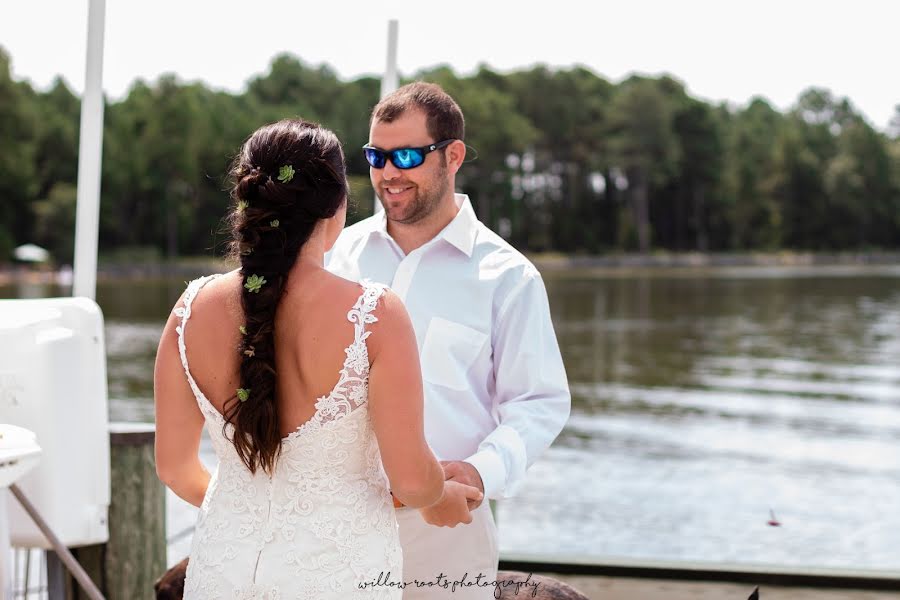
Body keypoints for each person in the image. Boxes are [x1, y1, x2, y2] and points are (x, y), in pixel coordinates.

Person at [154, 119, 480, 599]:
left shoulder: (189, 310)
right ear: (336, 210)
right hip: (337, 576)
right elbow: (411, 479)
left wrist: (249, 507)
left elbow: (175, 470)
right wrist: (441, 498)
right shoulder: (374, 315)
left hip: (224, 568)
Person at [327, 82, 571, 599]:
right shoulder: (335, 257)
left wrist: (481, 472)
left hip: (444, 531)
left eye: (408, 156)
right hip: (332, 523)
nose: (388, 173)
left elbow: (538, 404)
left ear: (452, 155)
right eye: (377, 155)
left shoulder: (508, 276)